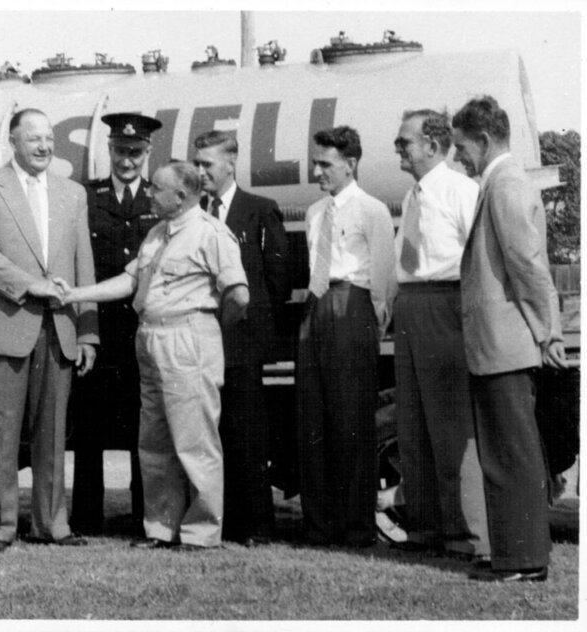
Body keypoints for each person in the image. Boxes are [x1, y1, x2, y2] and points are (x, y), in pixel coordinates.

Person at [58, 161, 249, 550]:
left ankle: (200, 533)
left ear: (180, 196)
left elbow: (239, 295)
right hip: (150, 339)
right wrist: (75, 294)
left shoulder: (211, 233)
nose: (148, 193)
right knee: (155, 443)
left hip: (187, 339)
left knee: (194, 442)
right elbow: (130, 280)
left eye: (156, 189)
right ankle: (162, 530)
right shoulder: (158, 233)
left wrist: (204, 329)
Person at [0, 108, 99, 552]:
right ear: (13, 142)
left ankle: (51, 524)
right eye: (34, 138)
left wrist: (88, 330)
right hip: (4, 324)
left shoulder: (72, 193)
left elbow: (82, 262)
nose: (44, 146)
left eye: (49, 139)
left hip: (60, 328)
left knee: (54, 433)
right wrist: (30, 284)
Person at [451, 96, 565, 582]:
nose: (458, 157)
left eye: (461, 147)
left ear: (483, 140)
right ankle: (517, 556)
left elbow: (527, 265)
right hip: (499, 345)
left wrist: (547, 331)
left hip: (506, 346)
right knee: (505, 453)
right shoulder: (500, 183)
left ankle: (522, 560)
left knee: (510, 456)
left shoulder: (505, 184)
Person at [390, 109, 489, 562]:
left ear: (432, 145)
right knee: (413, 426)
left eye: (405, 142)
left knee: (451, 426)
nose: (398, 149)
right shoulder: (411, 196)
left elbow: (480, 259)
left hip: (445, 304)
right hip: (411, 307)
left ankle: (466, 535)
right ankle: (426, 529)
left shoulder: (461, 191)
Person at [298, 126, 396, 548]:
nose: (317, 171)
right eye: (314, 163)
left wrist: (369, 323)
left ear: (351, 164)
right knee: (313, 419)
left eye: (325, 164)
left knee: (351, 421)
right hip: (316, 306)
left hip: (353, 305)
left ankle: (356, 527)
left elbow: (385, 276)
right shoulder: (313, 212)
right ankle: (320, 526)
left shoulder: (372, 210)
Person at [193, 130, 290, 546]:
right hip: (201, 341)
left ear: (231, 163)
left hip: (242, 344)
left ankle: (256, 526)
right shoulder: (193, 212)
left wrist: (254, 333)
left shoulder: (259, 210)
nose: (200, 172)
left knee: (247, 435)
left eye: (208, 164)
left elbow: (277, 279)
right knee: (210, 436)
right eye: (197, 164)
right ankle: (221, 522)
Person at [69, 112, 162, 536]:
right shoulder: (87, 197)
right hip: (98, 328)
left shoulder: (159, 199)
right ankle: (87, 518)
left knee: (145, 424)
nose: (127, 161)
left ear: (148, 152)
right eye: (121, 151)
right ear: (109, 149)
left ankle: (146, 516)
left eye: (136, 152)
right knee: (89, 425)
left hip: (143, 327)